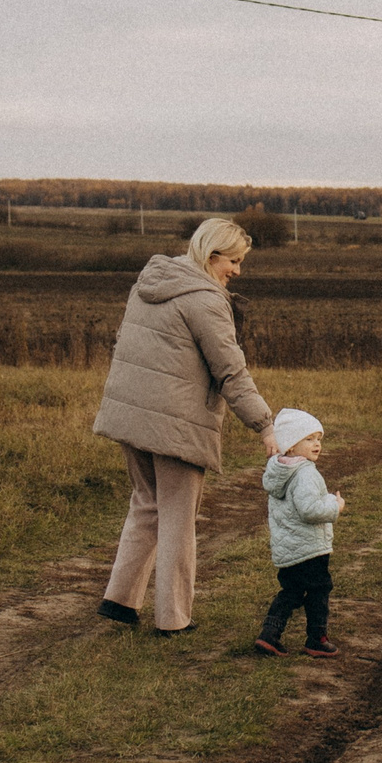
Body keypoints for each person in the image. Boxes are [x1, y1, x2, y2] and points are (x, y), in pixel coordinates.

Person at [92, 217, 277, 636]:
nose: (237, 271)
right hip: (176, 423)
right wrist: (265, 425)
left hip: (132, 414)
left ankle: (119, 601)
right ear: (212, 256)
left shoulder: (150, 283)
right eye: (234, 261)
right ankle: (173, 618)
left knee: (146, 503)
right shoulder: (205, 300)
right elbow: (231, 370)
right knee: (178, 516)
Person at [253, 406, 345, 660]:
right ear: (291, 445)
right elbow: (309, 509)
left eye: (318, 439)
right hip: (310, 548)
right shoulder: (304, 472)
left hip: (289, 548)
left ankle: (269, 634)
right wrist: (334, 505)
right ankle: (317, 638)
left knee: (291, 591)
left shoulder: (279, 470)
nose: (317, 444)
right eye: (309, 439)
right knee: (319, 589)